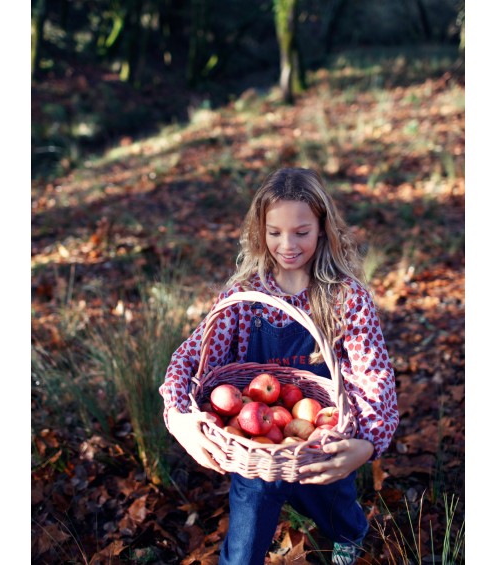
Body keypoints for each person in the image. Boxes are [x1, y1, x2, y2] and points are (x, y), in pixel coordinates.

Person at [159, 167, 399, 565]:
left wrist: (368, 442)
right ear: (260, 231)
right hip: (256, 445)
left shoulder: (345, 298)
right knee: (248, 530)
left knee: (333, 506)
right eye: (275, 233)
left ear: (322, 227)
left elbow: (372, 374)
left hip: (322, 438)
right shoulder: (246, 295)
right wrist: (179, 417)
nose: (287, 245)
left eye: (301, 232)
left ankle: (350, 533)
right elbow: (190, 356)